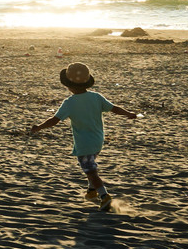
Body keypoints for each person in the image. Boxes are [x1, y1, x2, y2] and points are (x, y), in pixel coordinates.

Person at [30, 62, 138, 211]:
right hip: (98, 140)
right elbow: (114, 109)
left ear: (68, 85)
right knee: (90, 165)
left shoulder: (69, 103)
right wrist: (129, 114)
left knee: (90, 171)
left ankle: (104, 195)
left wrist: (39, 127)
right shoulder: (96, 97)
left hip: (84, 144)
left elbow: (54, 120)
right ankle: (91, 192)